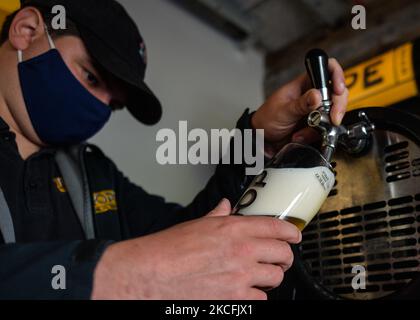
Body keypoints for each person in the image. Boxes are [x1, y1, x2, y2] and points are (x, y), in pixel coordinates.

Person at [0, 0, 348, 299]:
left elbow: (191, 233)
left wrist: (257, 137)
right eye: (92, 77)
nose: (100, 107)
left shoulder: (91, 172)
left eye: (114, 104)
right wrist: (122, 276)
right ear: (27, 30)